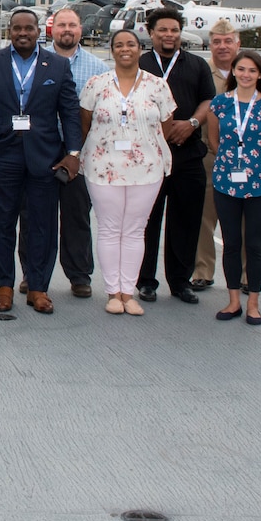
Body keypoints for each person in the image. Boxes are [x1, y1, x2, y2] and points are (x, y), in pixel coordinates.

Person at [0, 7, 82, 315]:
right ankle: (3, 286)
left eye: (28, 28)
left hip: (45, 156)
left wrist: (73, 153)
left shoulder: (57, 66)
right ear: (9, 31)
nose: (22, 33)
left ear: (38, 31)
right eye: (16, 28)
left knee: (42, 224)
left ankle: (38, 287)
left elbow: (70, 112)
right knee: (2, 221)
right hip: (4, 154)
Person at [78, 30, 177, 315]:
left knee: (134, 231)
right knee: (109, 230)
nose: (125, 49)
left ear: (139, 49)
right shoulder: (96, 84)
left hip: (146, 169)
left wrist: (145, 145)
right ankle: (112, 293)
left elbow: (165, 125)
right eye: (119, 44)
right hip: (103, 167)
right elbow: (85, 122)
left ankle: (128, 292)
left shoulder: (158, 86)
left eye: (130, 44)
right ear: (112, 50)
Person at [20, 7, 105, 299]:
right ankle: (31, 272)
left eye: (72, 25)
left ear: (80, 29)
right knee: (32, 216)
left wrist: (78, 152)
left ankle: (79, 274)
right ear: (51, 30)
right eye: (61, 25)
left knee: (77, 215)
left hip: (78, 153)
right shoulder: (34, 62)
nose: (67, 30)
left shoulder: (98, 68)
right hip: (39, 150)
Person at [136, 8, 215, 305]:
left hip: (187, 153)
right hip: (148, 156)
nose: (169, 35)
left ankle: (181, 281)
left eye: (174, 30)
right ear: (151, 32)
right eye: (163, 31)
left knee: (186, 219)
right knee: (148, 220)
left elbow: (209, 99)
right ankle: (145, 281)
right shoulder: (140, 64)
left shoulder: (196, 65)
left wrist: (193, 122)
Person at [206, 51, 261, 326]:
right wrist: (231, 164)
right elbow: (214, 141)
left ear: (260, 75)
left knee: (254, 244)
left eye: (252, 70)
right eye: (241, 69)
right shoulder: (220, 104)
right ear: (234, 72)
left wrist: (259, 166)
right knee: (231, 243)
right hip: (226, 183)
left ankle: (253, 303)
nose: (246, 75)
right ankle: (233, 301)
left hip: (260, 186)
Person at [193, 19, 241, 290]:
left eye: (228, 41)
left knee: (243, 219)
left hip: (244, 158)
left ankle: (246, 274)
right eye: (217, 42)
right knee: (204, 217)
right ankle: (203, 270)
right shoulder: (202, 71)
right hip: (209, 154)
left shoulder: (249, 70)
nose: (222, 47)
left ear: (238, 43)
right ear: (210, 44)